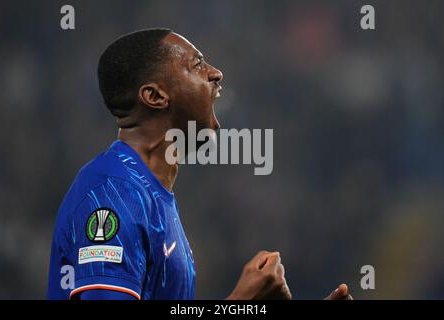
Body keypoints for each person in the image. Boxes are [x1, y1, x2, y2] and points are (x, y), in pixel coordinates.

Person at [47, 28, 352, 300]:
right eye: (197, 65)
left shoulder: (150, 195)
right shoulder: (113, 195)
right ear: (155, 96)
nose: (216, 73)